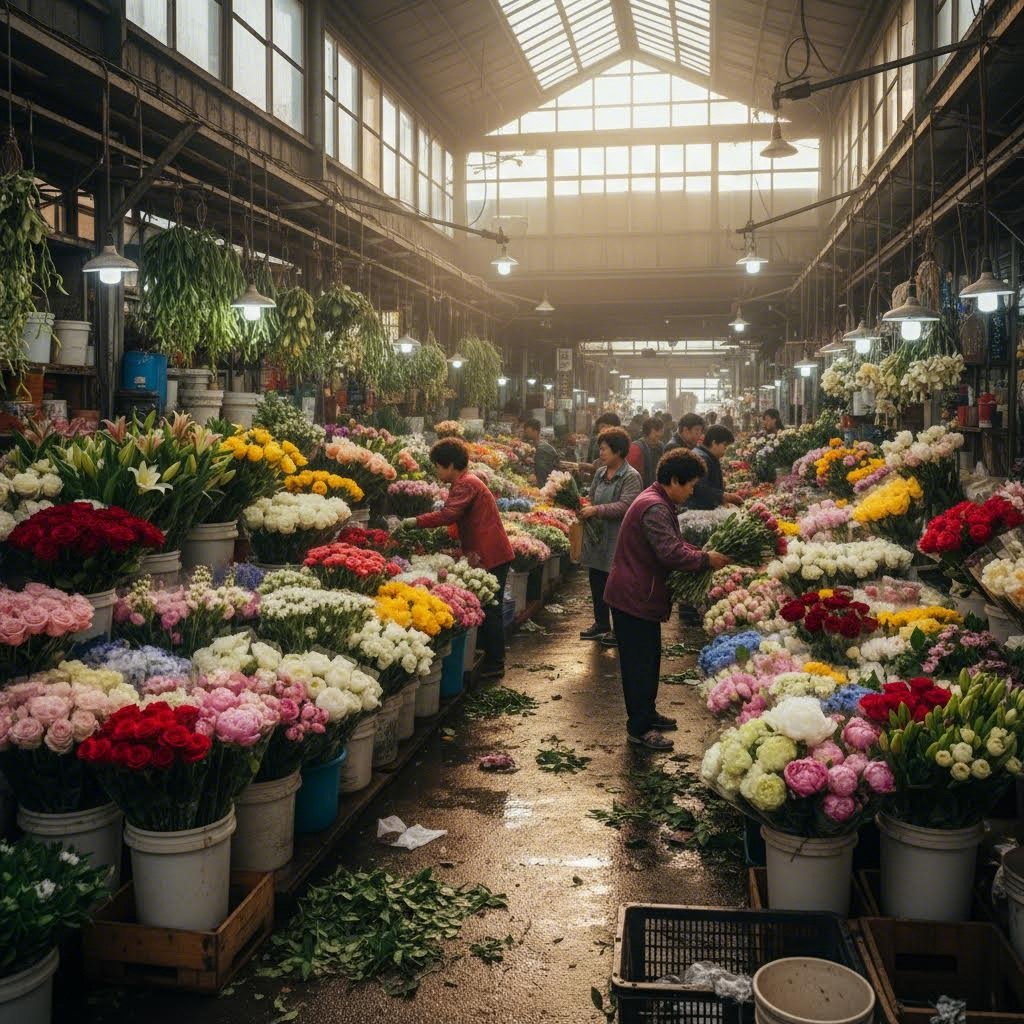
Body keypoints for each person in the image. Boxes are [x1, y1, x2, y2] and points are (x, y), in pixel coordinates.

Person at [604, 450, 731, 750]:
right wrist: (703, 559)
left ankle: (647, 713)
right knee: (638, 665)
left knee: (649, 660)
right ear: (674, 480)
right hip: (634, 597)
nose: (691, 492)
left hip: (640, 595)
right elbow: (670, 553)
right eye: (689, 486)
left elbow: (672, 544)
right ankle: (639, 728)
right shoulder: (655, 508)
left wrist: (700, 551)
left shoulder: (658, 500)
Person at [399, 438, 514, 679]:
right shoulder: (467, 482)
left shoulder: (466, 484)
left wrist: (415, 522)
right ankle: (490, 658)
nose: (436, 471)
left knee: (491, 608)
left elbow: (448, 514)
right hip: (488, 551)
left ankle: (495, 664)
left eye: (438, 466)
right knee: (489, 607)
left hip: (490, 553)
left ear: (450, 465)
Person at [579, 427, 642, 646]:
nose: (601, 454)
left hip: (617, 538)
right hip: (597, 537)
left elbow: (626, 506)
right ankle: (601, 624)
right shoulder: (600, 473)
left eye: (604, 449)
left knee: (616, 586)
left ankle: (619, 630)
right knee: (596, 581)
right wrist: (584, 505)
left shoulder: (631, 477)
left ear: (618, 451)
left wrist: (597, 510)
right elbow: (591, 496)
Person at [686, 424, 742, 510]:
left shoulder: (705, 455)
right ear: (714, 443)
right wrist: (725, 496)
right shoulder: (702, 458)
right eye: (724, 446)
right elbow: (699, 489)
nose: (725, 451)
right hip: (698, 512)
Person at [627, 417, 665, 487]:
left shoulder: (660, 446)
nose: (659, 434)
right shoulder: (636, 448)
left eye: (660, 430)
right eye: (656, 431)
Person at [523, 418, 559, 487]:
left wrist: (539, 486)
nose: (526, 434)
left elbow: (542, 473)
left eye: (527, 431)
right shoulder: (538, 446)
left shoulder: (541, 449)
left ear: (535, 432)